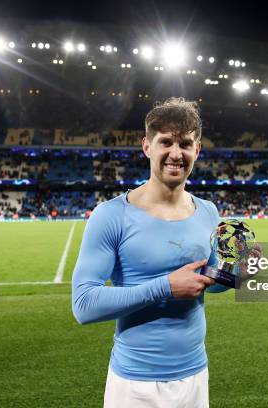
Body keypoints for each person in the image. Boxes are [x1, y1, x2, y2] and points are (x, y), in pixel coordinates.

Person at [71, 97, 230, 408]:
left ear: (197, 150)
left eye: (185, 143)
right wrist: (165, 286)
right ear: (147, 146)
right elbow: (84, 305)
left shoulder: (209, 211)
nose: (175, 153)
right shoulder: (111, 215)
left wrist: (237, 274)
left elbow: (211, 280)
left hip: (195, 376)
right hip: (135, 385)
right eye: (166, 142)